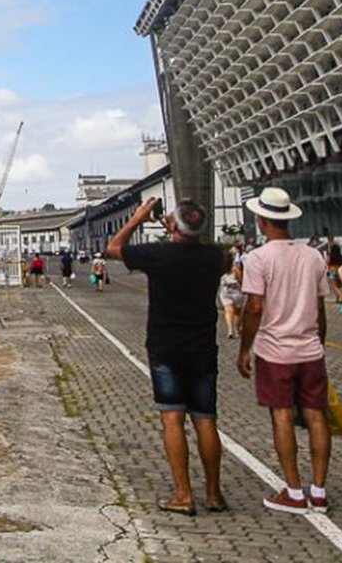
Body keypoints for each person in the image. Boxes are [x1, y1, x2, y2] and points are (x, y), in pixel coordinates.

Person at [107, 197, 229, 516]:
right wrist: (178, 228)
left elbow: (113, 248)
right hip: (202, 348)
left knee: (172, 418)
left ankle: (183, 494)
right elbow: (196, 249)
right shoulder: (217, 257)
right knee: (206, 419)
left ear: (174, 225)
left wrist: (137, 219)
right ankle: (214, 494)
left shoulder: (158, 256)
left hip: (165, 347)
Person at [236, 187, 331, 514]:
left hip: (275, 351)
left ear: (262, 221)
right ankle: (319, 491)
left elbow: (254, 307)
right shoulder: (313, 256)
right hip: (310, 350)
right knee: (318, 417)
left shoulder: (258, 259)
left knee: (282, 416)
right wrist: (319, 344)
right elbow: (320, 310)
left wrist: (244, 349)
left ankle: (293, 491)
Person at [219, 264, 244, 339]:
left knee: (228, 310)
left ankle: (230, 329)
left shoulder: (220, 268)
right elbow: (240, 280)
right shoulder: (235, 269)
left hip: (225, 292)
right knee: (237, 312)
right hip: (236, 292)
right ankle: (236, 330)